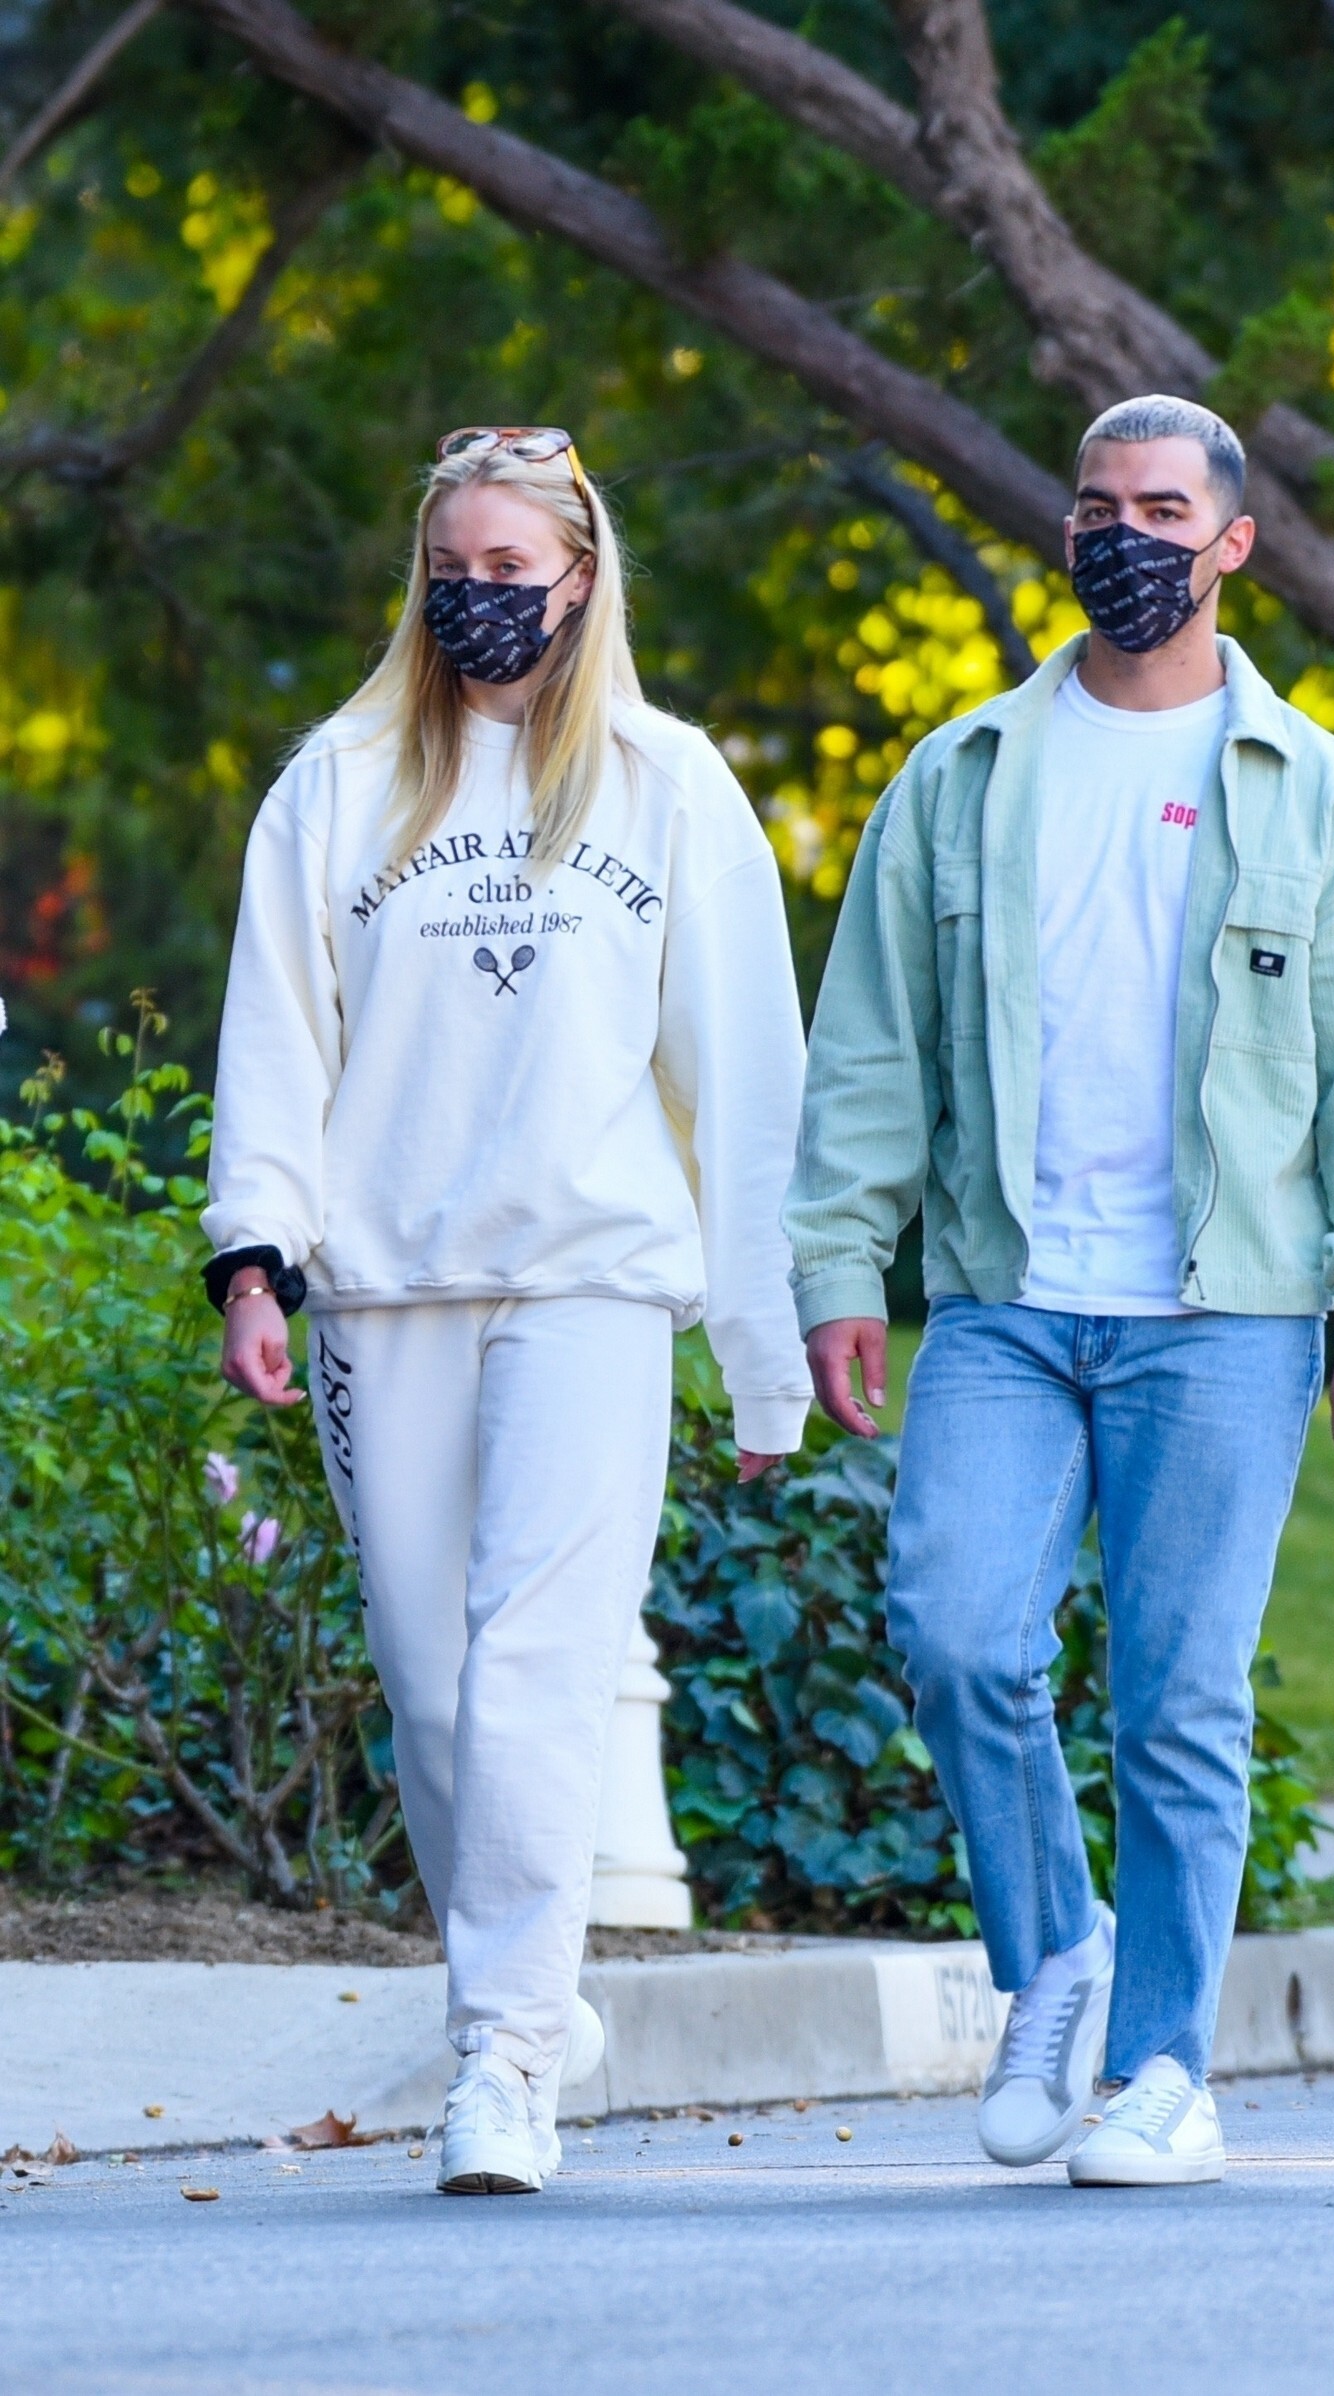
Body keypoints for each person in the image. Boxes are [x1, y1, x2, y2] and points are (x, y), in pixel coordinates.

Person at [785, 394, 1334, 2187]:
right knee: (956, 1634)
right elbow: (871, 1047)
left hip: (1228, 1317)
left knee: (1179, 1704)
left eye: (1165, 510)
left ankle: (1166, 2073)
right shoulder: (959, 779)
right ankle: (1059, 1961)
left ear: (1233, 543)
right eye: (1099, 506)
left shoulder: (1327, 803)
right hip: (1008, 1301)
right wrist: (842, 1257)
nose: (1125, 536)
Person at [204, 425, 812, 2195]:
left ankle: (507, 2055)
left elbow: (744, 1081)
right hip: (385, 1283)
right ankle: (529, 1992)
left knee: (539, 1666)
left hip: (591, 1279)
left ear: (580, 579)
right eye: (449, 569)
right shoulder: (338, 783)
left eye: (510, 570)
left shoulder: (667, 782)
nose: (478, 597)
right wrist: (257, 1254)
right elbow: (277, 1032)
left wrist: (763, 1351)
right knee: (435, 1688)